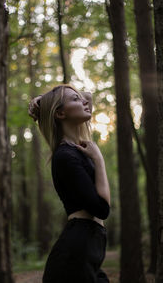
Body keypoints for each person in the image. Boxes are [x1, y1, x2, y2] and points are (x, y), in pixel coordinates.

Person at [28, 84, 111, 283]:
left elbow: (88, 97)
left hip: (88, 246)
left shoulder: (79, 148)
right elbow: (102, 209)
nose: (84, 101)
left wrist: (44, 100)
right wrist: (99, 160)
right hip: (75, 253)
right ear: (60, 114)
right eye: (75, 99)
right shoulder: (65, 156)